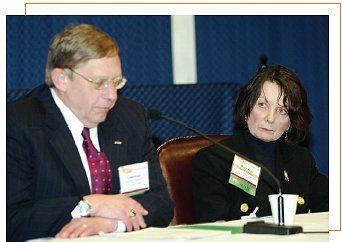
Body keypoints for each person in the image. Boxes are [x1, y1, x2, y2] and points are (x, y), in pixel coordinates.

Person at [7, 23, 173, 242]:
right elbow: (11, 220)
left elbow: (160, 203)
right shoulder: (17, 124)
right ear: (61, 79)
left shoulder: (129, 118)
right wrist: (89, 204)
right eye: (99, 83)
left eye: (116, 82)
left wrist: (113, 223)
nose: (112, 96)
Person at [192, 64, 329, 223]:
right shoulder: (215, 159)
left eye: (282, 110)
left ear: (291, 123)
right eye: (262, 105)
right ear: (247, 108)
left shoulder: (301, 160)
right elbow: (215, 229)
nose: (270, 118)